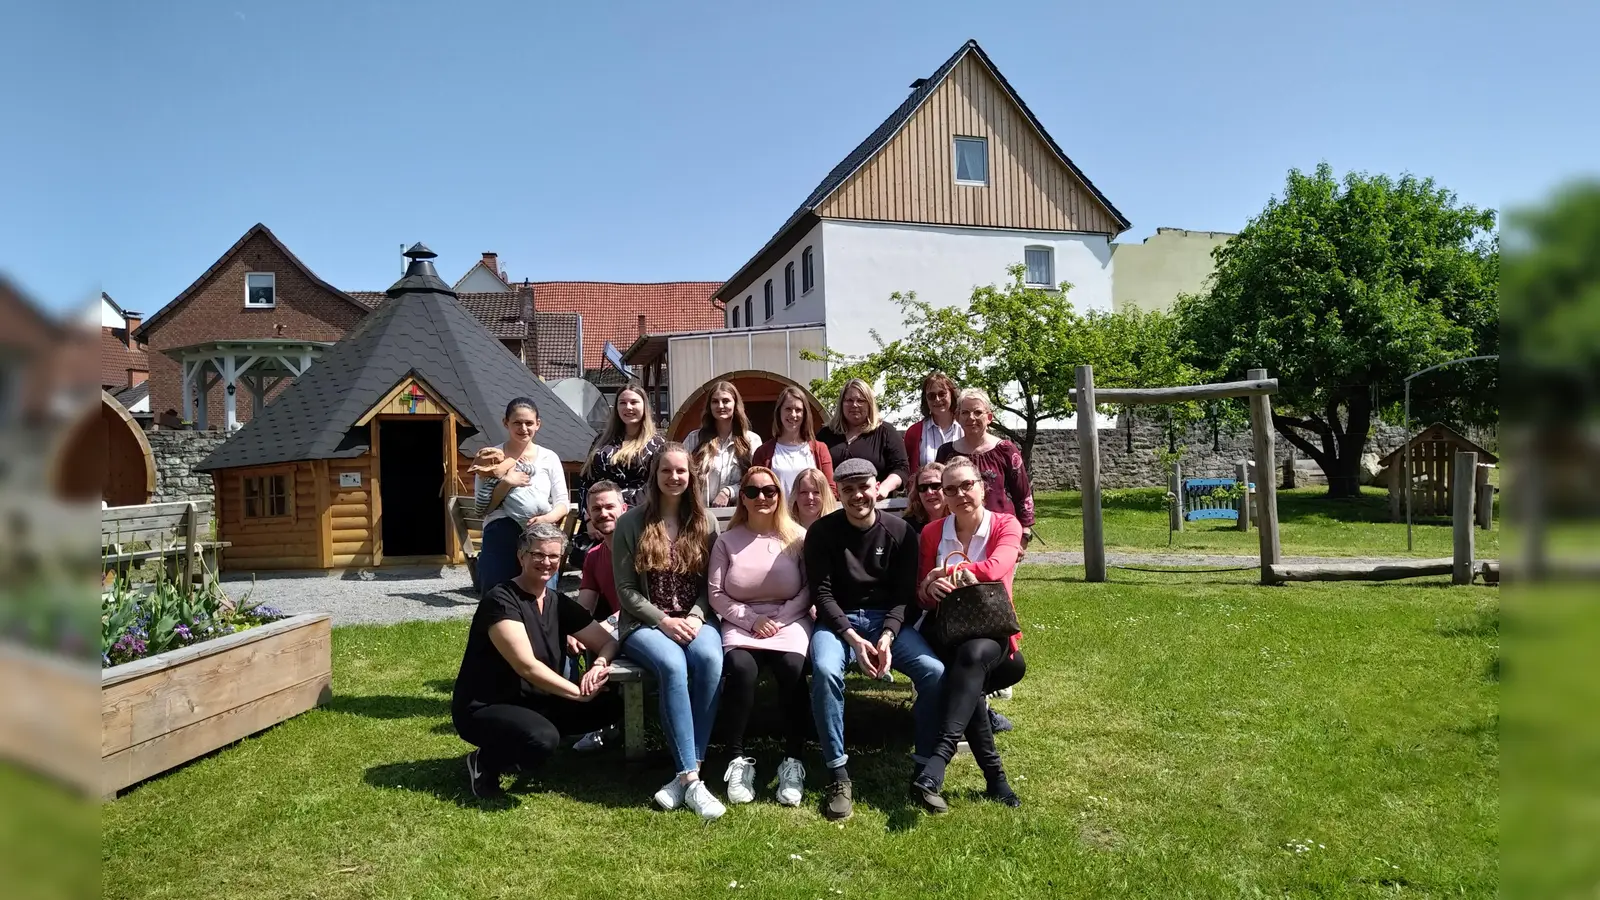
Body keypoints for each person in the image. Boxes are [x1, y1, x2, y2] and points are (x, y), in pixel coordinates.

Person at [804, 457, 947, 821]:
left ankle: (923, 770)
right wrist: (853, 639)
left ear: (876, 486)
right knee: (823, 670)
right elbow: (822, 595)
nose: (857, 496)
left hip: (888, 622)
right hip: (839, 625)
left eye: (864, 487)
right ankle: (838, 773)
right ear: (838, 492)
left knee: (933, 672)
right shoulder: (821, 533)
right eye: (848, 490)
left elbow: (904, 595)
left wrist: (886, 636)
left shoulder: (901, 533)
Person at [452, 523, 621, 799]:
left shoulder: (557, 601)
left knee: (612, 703)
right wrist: (578, 693)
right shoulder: (501, 600)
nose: (546, 562)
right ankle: (485, 761)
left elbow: (607, 641)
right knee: (542, 741)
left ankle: (523, 746)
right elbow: (526, 666)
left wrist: (599, 666)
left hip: (537, 701)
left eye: (554, 556)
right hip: (487, 705)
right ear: (521, 556)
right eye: (538, 555)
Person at [612, 443, 727, 820]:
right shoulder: (631, 524)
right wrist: (663, 620)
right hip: (646, 622)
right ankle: (693, 780)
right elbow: (626, 591)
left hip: (696, 618)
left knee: (710, 658)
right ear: (654, 475)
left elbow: (714, 585)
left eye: (681, 471)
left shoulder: (705, 522)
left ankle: (685, 775)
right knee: (674, 666)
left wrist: (695, 616)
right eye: (666, 471)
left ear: (691, 476)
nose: (674, 477)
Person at [908, 456, 1027, 814]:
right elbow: (919, 594)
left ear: (982, 487)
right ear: (942, 495)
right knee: (968, 674)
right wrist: (929, 584)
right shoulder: (932, 532)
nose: (960, 494)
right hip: (945, 628)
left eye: (966, 485)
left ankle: (939, 759)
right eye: (950, 489)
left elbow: (995, 568)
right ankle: (995, 780)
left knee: (971, 662)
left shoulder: (1005, 524)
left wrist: (947, 569)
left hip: (990, 628)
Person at [708, 467, 811, 806]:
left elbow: (809, 589)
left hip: (788, 619)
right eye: (752, 492)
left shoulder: (797, 537)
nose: (762, 497)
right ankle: (736, 758)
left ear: (779, 495)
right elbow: (716, 594)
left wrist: (779, 619)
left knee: (793, 670)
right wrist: (752, 620)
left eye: (769, 491)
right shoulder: (727, 540)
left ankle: (793, 760)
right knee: (740, 669)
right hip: (741, 621)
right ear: (743, 498)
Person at [471, 398, 570, 594]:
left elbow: (562, 503)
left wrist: (545, 519)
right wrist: (507, 483)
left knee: (541, 595)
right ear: (505, 423)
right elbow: (483, 508)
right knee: (498, 594)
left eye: (529, 423)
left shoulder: (549, 458)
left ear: (538, 424)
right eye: (517, 422)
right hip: (501, 530)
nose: (523, 428)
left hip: (540, 531)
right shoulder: (490, 457)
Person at [935, 387, 1037, 550]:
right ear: (957, 418)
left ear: (989, 417)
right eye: (965, 413)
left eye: (977, 412)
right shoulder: (946, 453)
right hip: (957, 534)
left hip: (1001, 532)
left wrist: (1024, 532)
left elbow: (1023, 493)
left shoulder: (1006, 450)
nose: (971, 418)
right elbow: (940, 493)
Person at [568, 480, 626, 753]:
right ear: (589, 516)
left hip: (647, 625)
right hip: (615, 629)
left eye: (609, 506)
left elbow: (646, 603)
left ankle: (602, 722)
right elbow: (585, 605)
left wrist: (604, 624)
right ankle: (573, 715)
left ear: (624, 508)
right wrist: (572, 629)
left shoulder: (642, 549)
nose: (603, 513)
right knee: (565, 641)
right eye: (596, 509)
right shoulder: (593, 556)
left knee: (597, 638)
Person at [579, 382, 664, 511]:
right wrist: (587, 517)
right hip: (599, 518)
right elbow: (586, 482)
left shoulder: (657, 445)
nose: (628, 407)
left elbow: (655, 487)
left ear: (645, 407)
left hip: (638, 517)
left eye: (634, 402)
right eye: (622, 403)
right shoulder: (601, 440)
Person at [817, 378, 909, 497]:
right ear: (841, 403)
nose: (854, 405)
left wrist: (883, 488)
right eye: (849, 400)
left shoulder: (886, 432)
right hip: (834, 505)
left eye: (860, 400)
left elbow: (901, 469)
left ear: (869, 404)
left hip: (875, 504)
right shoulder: (825, 434)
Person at [683, 381, 763, 508]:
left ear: (735, 404)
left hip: (739, 515)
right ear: (709, 406)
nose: (720, 406)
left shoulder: (752, 440)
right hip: (700, 515)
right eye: (715, 401)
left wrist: (729, 492)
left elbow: (758, 479)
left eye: (725, 401)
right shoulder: (694, 439)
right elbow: (682, 474)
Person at [752, 385, 834, 497]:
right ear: (779, 411)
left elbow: (831, 491)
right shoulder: (763, 452)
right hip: (778, 514)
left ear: (805, 414)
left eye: (798, 410)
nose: (793, 414)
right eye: (788, 409)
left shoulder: (820, 450)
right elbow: (756, 491)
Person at [903, 372, 963, 468]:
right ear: (925, 399)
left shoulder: (965, 427)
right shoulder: (914, 432)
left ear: (952, 394)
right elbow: (906, 470)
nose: (937, 399)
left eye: (942, 394)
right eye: (931, 396)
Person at [902, 462, 948, 535]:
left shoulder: (961, 520)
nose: (929, 492)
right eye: (923, 488)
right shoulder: (907, 527)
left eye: (935, 486)